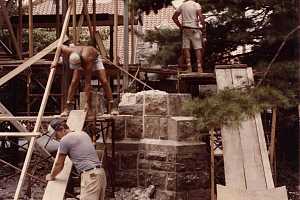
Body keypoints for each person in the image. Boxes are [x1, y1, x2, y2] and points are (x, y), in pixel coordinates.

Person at [46, 119, 107, 200]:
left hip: (90, 176)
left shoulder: (65, 140)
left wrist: (52, 176)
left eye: (56, 135)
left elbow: (59, 164)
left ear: (61, 129)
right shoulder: (83, 134)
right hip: (100, 174)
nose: (57, 139)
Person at [52, 44, 114, 116]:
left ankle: (112, 106)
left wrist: (87, 103)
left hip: (95, 59)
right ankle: (67, 107)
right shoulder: (70, 51)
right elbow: (59, 46)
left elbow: (87, 83)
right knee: (74, 81)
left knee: (104, 81)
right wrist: (55, 61)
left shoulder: (87, 59)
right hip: (81, 58)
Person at [172, 0, 205, 73]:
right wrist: (203, 26)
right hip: (195, 29)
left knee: (186, 48)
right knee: (198, 48)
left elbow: (174, 18)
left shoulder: (182, 6)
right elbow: (200, 16)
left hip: (185, 29)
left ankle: (189, 67)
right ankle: (199, 67)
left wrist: (180, 26)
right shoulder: (196, 5)